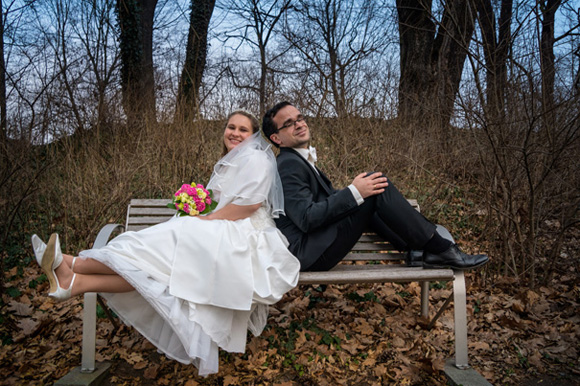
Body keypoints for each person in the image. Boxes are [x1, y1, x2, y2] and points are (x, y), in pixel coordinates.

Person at [30, 110, 300, 376]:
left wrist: (207, 220)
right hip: (225, 228)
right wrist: (199, 209)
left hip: (247, 237)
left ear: (254, 136)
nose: (235, 133)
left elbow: (250, 205)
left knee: (168, 244)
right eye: (231, 127)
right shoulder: (232, 160)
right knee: (155, 272)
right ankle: (74, 281)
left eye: (243, 129)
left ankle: (71, 263)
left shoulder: (255, 158)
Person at [261, 101, 489, 272]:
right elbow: (307, 218)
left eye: (299, 118)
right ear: (277, 138)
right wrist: (354, 192)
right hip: (308, 254)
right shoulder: (288, 165)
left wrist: (353, 193)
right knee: (374, 185)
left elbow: (322, 205)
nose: (299, 124)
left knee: (369, 189)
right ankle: (441, 249)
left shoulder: (296, 160)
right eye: (289, 124)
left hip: (315, 247)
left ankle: (417, 251)